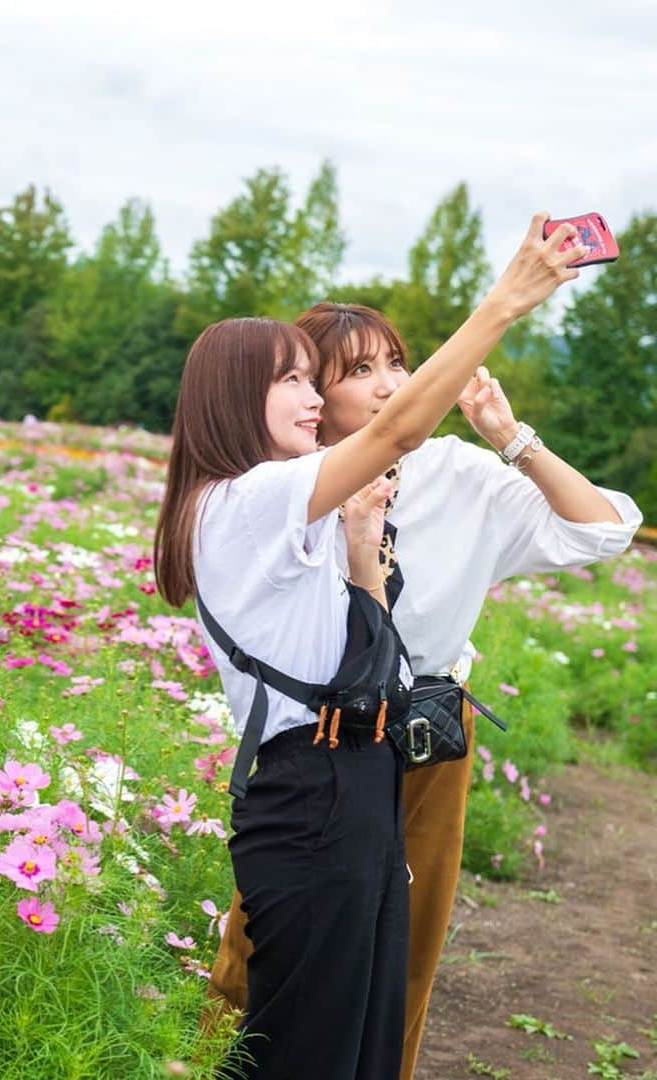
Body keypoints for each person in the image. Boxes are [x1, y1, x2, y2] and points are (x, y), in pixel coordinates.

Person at [155, 214, 590, 1079]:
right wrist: (503, 304)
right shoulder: (245, 498)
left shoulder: (303, 515)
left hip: (357, 783)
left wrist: (364, 547)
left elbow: (357, 646)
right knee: (305, 1043)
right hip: (310, 792)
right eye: (293, 380)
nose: (315, 396)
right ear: (234, 395)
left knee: (356, 1030)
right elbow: (392, 435)